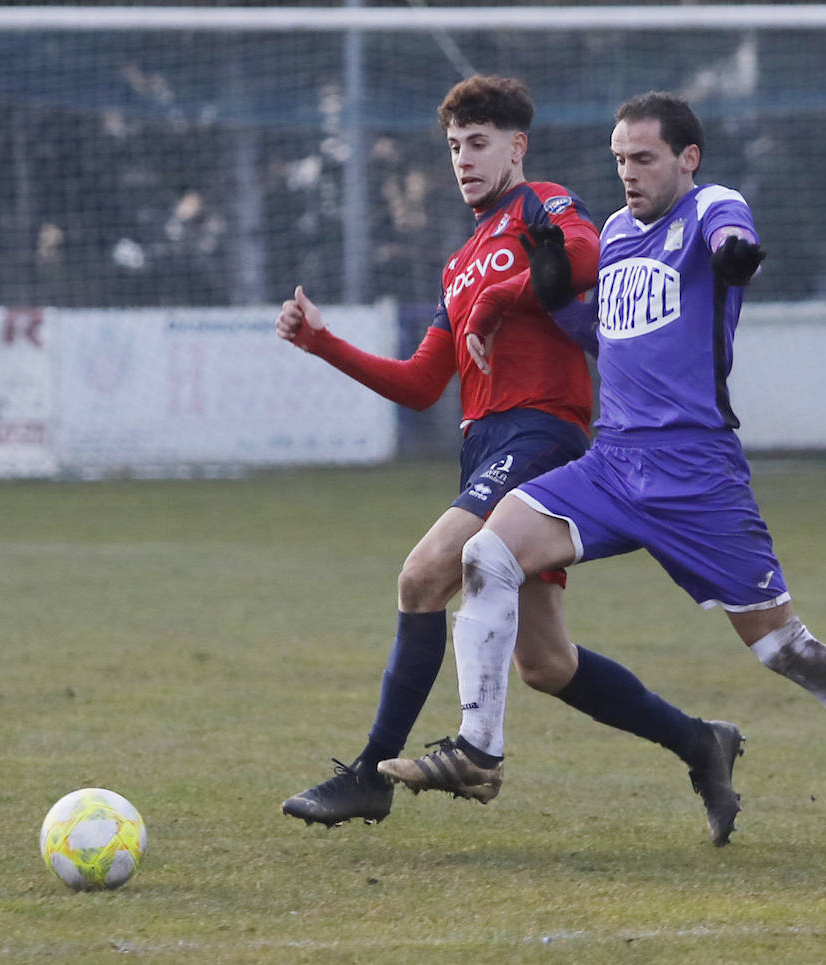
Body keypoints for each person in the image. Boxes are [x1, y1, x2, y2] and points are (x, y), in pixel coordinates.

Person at [380, 92, 826, 857]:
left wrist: (735, 255)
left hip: (697, 479)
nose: (628, 174)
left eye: (644, 159)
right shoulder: (620, 235)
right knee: (485, 553)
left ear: (686, 158)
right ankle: (479, 749)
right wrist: (554, 294)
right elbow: (606, 335)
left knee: (784, 648)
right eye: (620, 159)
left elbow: (733, 237)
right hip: (613, 466)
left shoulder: (711, 207)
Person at [276, 75, 744, 845]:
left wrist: (509, 295)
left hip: (543, 435)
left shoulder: (543, 205)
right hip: (483, 447)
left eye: (480, 143)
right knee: (546, 662)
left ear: (516, 146)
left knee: (424, 573)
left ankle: (369, 774)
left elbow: (589, 258)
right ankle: (701, 742)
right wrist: (322, 342)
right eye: (455, 145)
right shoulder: (457, 265)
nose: (465, 158)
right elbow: (423, 384)